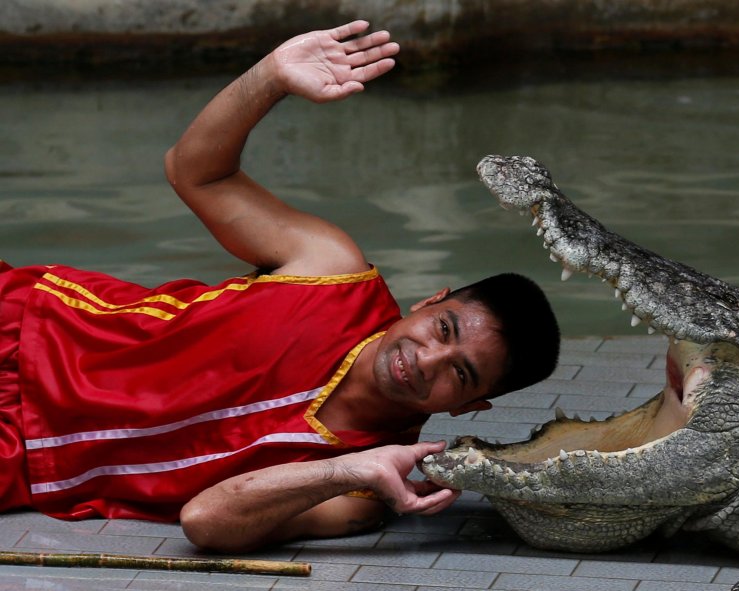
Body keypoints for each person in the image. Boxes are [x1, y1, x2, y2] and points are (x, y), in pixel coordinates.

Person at [0, 20, 560, 553]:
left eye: (459, 373)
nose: (427, 359)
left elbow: (205, 521)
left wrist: (344, 470)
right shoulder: (330, 269)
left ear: (469, 407)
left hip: (26, 455)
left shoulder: (363, 490)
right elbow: (195, 171)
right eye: (444, 328)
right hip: (27, 322)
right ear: (431, 300)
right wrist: (269, 77)